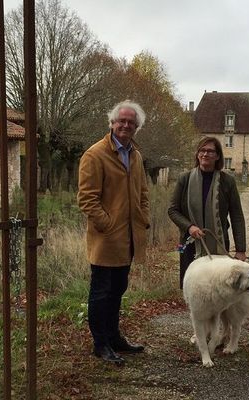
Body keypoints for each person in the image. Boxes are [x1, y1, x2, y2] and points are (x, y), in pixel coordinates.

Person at [77, 100, 151, 365]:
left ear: (137, 127)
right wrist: (108, 225)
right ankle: (101, 344)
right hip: (106, 240)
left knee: (118, 289)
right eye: (121, 121)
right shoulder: (95, 155)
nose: (126, 125)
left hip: (129, 239)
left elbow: (143, 192)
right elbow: (86, 199)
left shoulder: (136, 155)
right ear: (111, 123)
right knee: (101, 292)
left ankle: (114, 337)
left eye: (131, 122)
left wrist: (143, 217)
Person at [168, 136, 246, 289]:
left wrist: (241, 249)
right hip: (187, 242)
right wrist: (189, 227)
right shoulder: (184, 178)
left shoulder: (227, 181)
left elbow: (237, 216)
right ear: (197, 154)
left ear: (217, 156)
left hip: (218, 243)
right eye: (202, 150)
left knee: (218, 286)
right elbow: (172, 210)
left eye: (210, 151)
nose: (205, 154)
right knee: (190, 286)